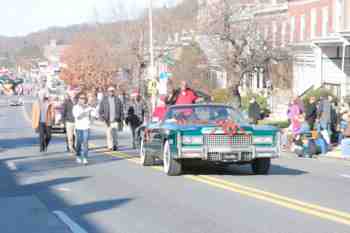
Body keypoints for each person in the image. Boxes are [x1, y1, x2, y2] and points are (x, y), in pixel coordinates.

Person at [73, 93, 97, 165]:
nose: (82, 100)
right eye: (81, 98)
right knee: (79, 142)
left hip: (86, 127)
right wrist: (86, 112)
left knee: (86, 142)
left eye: (83, 98)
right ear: (78, 99)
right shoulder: (75, 107)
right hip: (78, 127)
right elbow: (78, 117)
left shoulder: (89, 107)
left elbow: (94, 115)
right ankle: (78, 156)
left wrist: (92, 119)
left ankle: (85, 158)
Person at [99, 86, 124, 151]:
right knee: (109, 134)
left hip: (115, 119)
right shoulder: (104, 100)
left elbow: (121, 110)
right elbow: (101, 110)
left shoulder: (118, 100)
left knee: (115, 134)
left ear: (114, 92)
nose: (111, 92)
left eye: (112, 91)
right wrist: (102, 117)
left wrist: (121, 119)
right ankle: (110, 146)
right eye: (110, 91)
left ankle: (115, 145)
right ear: (108, 92)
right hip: (107, 120)